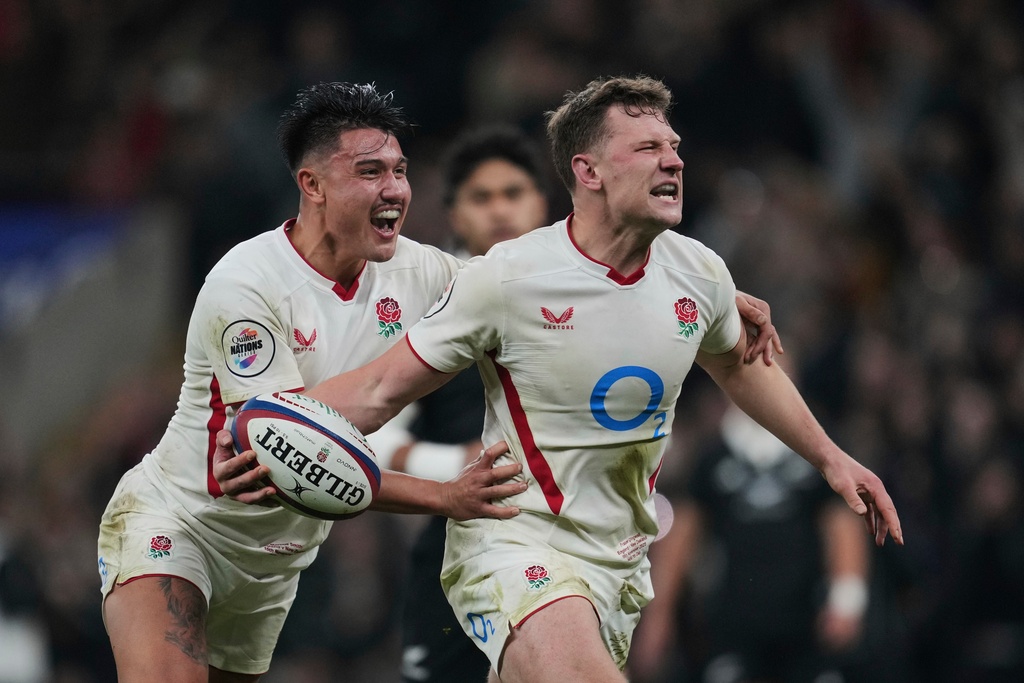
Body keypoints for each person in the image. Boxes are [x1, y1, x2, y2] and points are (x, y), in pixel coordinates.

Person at [215, 75, 903, 683]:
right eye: (648, 148)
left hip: (617, 564)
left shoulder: (699, 272)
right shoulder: (509, 278)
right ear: (590, 170)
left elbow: (738, 366)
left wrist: (832, 458)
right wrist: (258, 425)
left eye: (674, 144)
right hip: (516, 545)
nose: (674, 158)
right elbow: (376, 390)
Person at [95, 82, 530, 683]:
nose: (395, 190)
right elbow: (289, 452)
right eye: (370, 171)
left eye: (400, 171)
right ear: (313, 185)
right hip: (181, 523)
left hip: (276, 563)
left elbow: (514, 302)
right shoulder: (247, 282)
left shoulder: (419, 270)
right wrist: (443, 496)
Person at [391, 125, 552, 683]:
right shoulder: (423, 305)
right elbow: (371, 437)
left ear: (542, 203)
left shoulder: (584, 296)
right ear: (454, 214)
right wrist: (463, 465)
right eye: (481, 198)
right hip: (454, 538)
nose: (500, 210)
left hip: (566, 540)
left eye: (514, 193)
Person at [628, 397, 875, 683]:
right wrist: (659, 616)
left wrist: (847, 599)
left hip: (806, 628)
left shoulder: (817, 452)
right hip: (732, 626)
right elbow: (682, 535)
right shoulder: (715, 454)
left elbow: (841, 523)